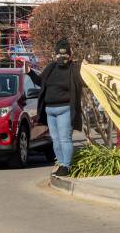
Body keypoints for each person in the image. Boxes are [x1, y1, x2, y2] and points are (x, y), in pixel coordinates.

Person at [25, 39, 84, 177]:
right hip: (50, 111)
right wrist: (30, 72)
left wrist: (86, 68)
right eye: (59, 55)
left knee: (64, 139)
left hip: (65, 109)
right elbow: (40, 82)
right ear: (55, 55)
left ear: (70, 55)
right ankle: (61, 163)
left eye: (65, 55)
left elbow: (84, 82)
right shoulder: (51, 67)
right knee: (56, 141)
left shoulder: (74, 68)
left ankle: (66, 166)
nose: (61, 57)